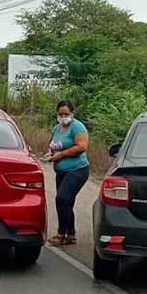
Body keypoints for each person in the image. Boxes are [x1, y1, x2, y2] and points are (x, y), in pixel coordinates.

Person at [45, 100, 90, 246]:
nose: (63, 116)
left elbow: (82, 146)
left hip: (77, 170)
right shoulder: (57, 128)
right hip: (62, 171)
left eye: (66, 114)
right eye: (60, 114)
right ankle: (70, 234)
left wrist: (62, 155)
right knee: (67, 203)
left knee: (62, 199)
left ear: (72, 113)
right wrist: (50, 153)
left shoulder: (77, 127)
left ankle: (61, 233)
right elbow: (52, 144)